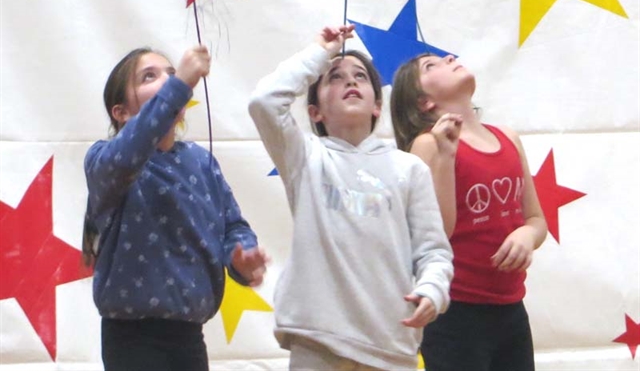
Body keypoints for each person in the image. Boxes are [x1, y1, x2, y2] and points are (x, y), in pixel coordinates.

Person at [248, 25, 453, 371]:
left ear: (377, 106)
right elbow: (264, 102)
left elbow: (434, 251)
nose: (350, 82)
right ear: (315, 112)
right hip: (318, 343)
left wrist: (433, 289)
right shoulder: (305, 158)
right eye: (335, 77)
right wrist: (320, 52)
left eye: (360, 76)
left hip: (392, 347)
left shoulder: (409, 169)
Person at [82, 45, 269, 371]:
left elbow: (232, 225)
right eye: (149, 76)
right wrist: (180, 83)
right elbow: (126, 156)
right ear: (121, 112)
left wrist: (242, 256)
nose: (168, 80)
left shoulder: (200, 162)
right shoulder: (104, 159)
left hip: (188, 335)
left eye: (170, 73)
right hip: (131, 339)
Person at [390, 52, 548, 371]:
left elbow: (537, 219)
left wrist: (526, 234)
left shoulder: (509, 138)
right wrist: (447, 158)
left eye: (446, 57)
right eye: (431, 65)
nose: (450, 57)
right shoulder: (427, 145)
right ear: (423, 103)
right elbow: (435, 232)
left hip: (511, 307)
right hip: (456, 312)